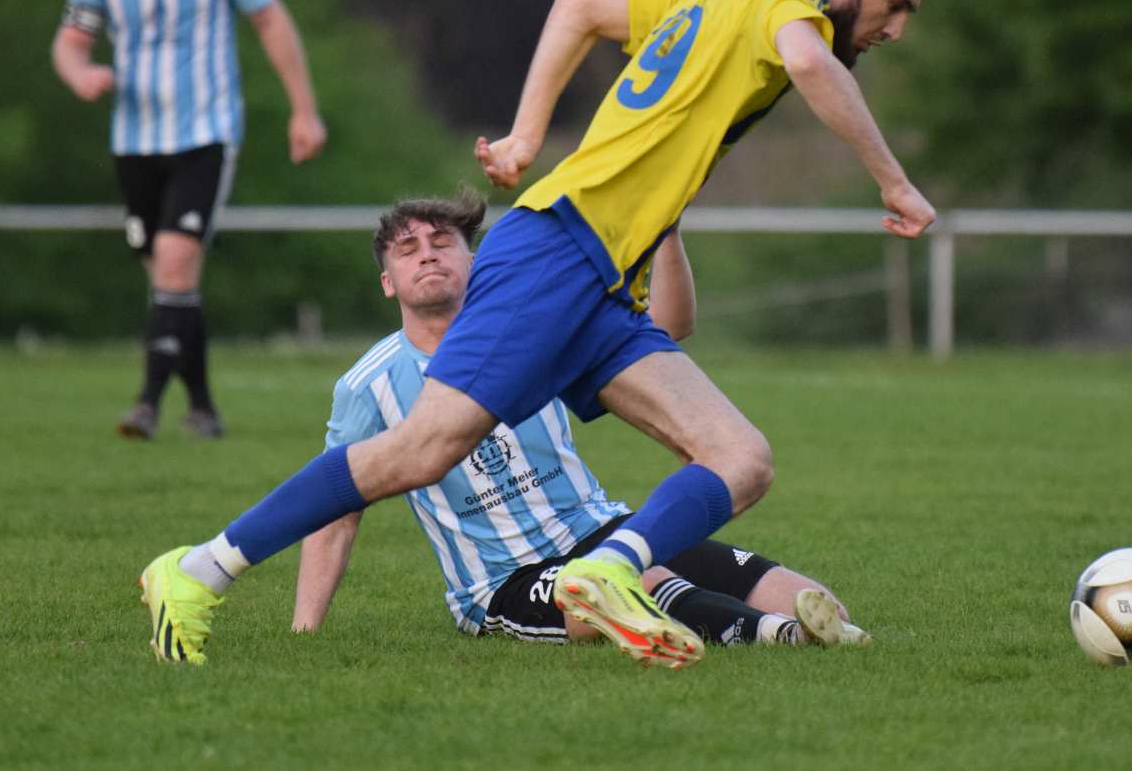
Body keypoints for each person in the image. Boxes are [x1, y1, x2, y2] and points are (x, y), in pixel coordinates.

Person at [140, 0, 935, 667]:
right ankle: (199, 570)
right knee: (421, 450)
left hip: (601, 282)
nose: (896, 29)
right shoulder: (782, 4)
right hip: (556, 248)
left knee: (741, 457)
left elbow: (576, 8)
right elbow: (806, 57)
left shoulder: (711, 0)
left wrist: (526, 134)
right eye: (895, 4)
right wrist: (894, 183)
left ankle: (611, 565)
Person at [290, 196, 871, 663]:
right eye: (408, 249)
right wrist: (304, 635)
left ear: (475, 263)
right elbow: (339, 508)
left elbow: (671, 326)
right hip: (504, 582)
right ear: (388, 281)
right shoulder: (369, 385)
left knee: (823, 605)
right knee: (633, 580)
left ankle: (801, 628)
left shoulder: (535, 337)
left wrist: (666, 231)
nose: (428, 255)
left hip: (605, 531)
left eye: (444, 243)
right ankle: (779, 638)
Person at [52, 0, 327, 440]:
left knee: (175, 263)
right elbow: (72, 39)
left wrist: (304, 109)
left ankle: (146, 402)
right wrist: (80, 74)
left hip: (206, 131)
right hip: (133, 138)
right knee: (170, 280)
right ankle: (202, 406)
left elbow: (269, 19)